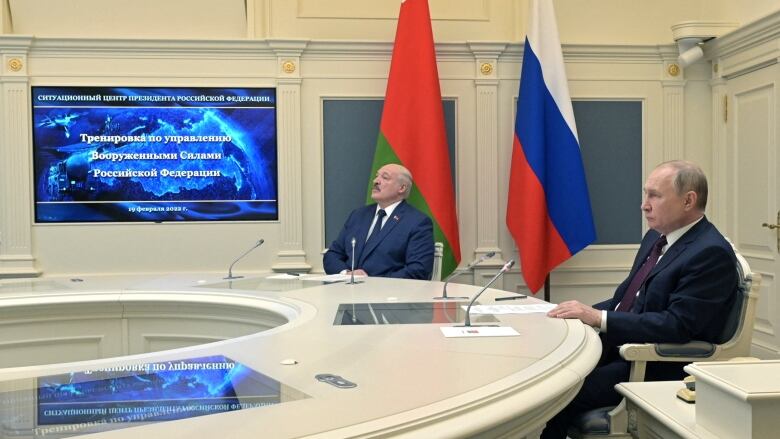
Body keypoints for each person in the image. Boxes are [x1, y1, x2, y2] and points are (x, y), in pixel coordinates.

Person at [540, 160, 739, 439]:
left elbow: (676, 325)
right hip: (619, 348)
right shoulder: (656, 238)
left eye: (655, 196)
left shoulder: (710, 253)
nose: (644, 205)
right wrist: (575, 312)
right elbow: (628, 299)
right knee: (550, 380)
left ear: (688, 201)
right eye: (646, 194)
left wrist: (598, 318)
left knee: (560, 394)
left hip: (655, 364)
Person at [323, 163, 434, 280]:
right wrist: (346, 274)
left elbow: (418, 270)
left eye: (385, 177)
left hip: (389, 295)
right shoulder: (358, 215)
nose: (376, 181)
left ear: (402, 188)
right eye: (377, 176)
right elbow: (332, 255)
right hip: (347, 292)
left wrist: (373, 283)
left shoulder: (417, 222)